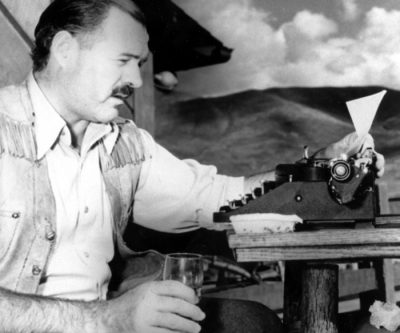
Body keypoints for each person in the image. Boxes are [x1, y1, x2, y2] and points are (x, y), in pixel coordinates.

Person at [0, 0, 384, 332]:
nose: (135, 79)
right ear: (66, 49)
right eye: (123, 61)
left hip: (115, 319)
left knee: (253, 322)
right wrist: (106, 320)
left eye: (141, 64)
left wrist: (316, 168)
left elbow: (218, 198)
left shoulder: (125, 144)